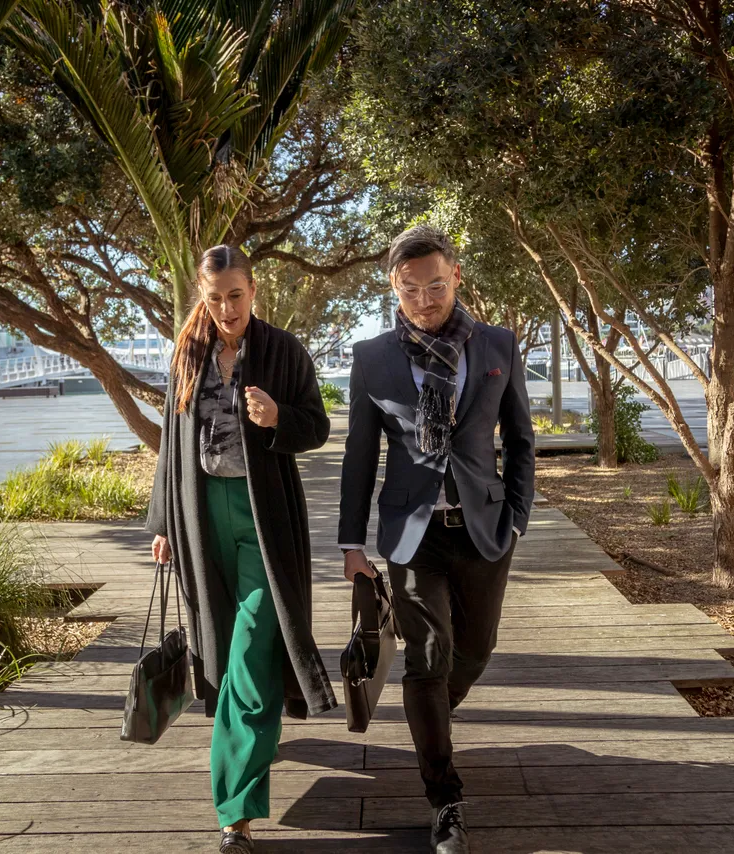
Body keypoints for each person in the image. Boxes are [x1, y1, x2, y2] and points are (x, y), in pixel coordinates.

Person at [338, 225, 535, 854]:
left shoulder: (499, 344)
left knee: (473, 651)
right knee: (427, 657)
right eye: (410, 289)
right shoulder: (372, 356)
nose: (424, 300)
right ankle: (444, 798)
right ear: (393, 287)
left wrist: (518, 517)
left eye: (436, 286)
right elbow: (360, 454)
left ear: (456, 276)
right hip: (412, 534)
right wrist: (351, 543)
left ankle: (429, 720)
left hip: (484, 529)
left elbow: (521, 440)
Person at [146, 245, 337, 854]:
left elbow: (317, 425)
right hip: (201, 519)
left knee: (253, 650)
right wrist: (163, 521)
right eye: (215, 298)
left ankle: (236, 816)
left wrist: (278, 416)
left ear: (254, 290)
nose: (227, 308)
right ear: (202, 298)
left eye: (236, 295)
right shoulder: (187, 353)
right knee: (225, 646)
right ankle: (255, 743)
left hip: (264, 520)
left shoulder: (283, 351)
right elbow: (172, 442)